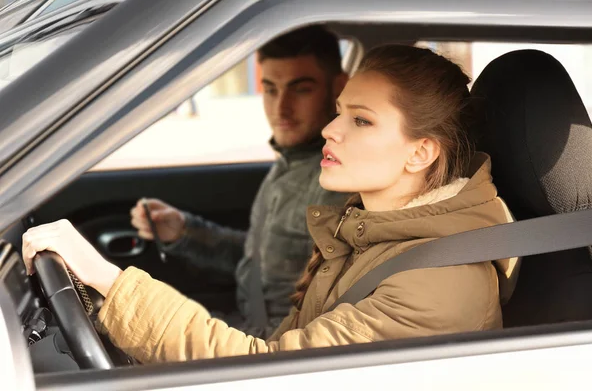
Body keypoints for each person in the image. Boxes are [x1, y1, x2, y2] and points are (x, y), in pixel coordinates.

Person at [22, 44, 520, 363]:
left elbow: (262, 366)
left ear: (421, 152)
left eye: (361, 120)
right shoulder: (362, 229)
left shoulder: (436, 284)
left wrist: (108, 279)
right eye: (340, 113)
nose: (330, 128)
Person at [128, 25, 349, 336]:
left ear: (338, 88)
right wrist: (183, 230)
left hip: (273, 347)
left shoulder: (338, 178)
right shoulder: (290, 162)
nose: (281, 107)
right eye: (270, 89)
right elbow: (256, 262)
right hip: (246, 325)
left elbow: (327, 315)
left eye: (301, 89)